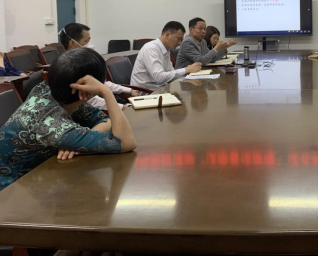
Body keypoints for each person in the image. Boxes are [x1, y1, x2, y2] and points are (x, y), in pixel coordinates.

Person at [0, 48, 137, 192]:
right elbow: (126, 143)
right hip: (11, 191)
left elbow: (105, 120)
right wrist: (106, 92)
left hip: (40, 178)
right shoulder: (53, 126)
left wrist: (76, 141)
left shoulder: (48, 89)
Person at [60, 23, 139, 110]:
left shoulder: (85, 62)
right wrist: (122, 108)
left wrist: (129, 90)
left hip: (111, 102)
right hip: (100, 109)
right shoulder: (69, 69)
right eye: (86, 41)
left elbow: (101, 83)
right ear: (72, 43)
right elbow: (90, 100)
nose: (90, 44)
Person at [131, 21, 202, 91]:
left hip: (160, 89)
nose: (180, 43)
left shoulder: (166, 50)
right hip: (145, 92)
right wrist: (186, 70)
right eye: (179, 39)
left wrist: (188, 80)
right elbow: (159, 78)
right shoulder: (151, 48)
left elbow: (171, 74)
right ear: (167, 35)